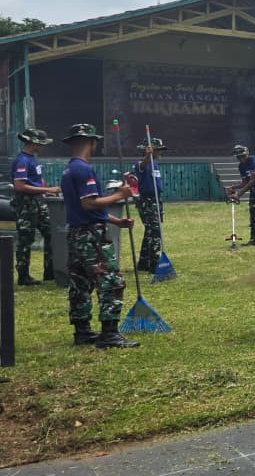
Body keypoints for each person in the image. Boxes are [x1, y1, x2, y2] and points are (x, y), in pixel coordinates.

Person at [60, 123, 137, 349]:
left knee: (80, 283)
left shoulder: (69, 170)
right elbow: (89, 203)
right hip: (91, 236)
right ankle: (109, 334)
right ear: (92, 142)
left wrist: (116, 221)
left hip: (76, 233)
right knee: (111, 280)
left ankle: (82, 331)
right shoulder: (84, 169)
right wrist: (120, 195)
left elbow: (86, 209)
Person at [11, 128, 59, 285]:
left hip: (38, 202)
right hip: (26, 205)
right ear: (33, 143)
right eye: (41, 144)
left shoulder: (31, 159)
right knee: (26, 239)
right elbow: (19, 186)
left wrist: (44, 191)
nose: (42, 147)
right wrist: (47, 190)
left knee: (51, 234)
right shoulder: (22, 161)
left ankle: (50, 272)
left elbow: (34, 182)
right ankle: (23, 276)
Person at [132, 137, 167, 274]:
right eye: (158, 150)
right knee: (155, 232)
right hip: (147, 201)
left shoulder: (156, 164)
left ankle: (144, 262)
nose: (160, 153)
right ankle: (154, 264)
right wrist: (148, 156)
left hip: (156, 200)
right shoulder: (141, 164)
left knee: (149, 231)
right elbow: (142, 167)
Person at [226, 145, 255, 246]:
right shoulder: (241, 166)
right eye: (239, 157)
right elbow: (245, 182)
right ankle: (254, 240)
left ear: (247, 154)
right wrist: (233, 187)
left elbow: (252, 181)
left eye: (242, 156)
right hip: (254, 191)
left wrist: (239, 194)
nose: (241, 158)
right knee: (254, 215)